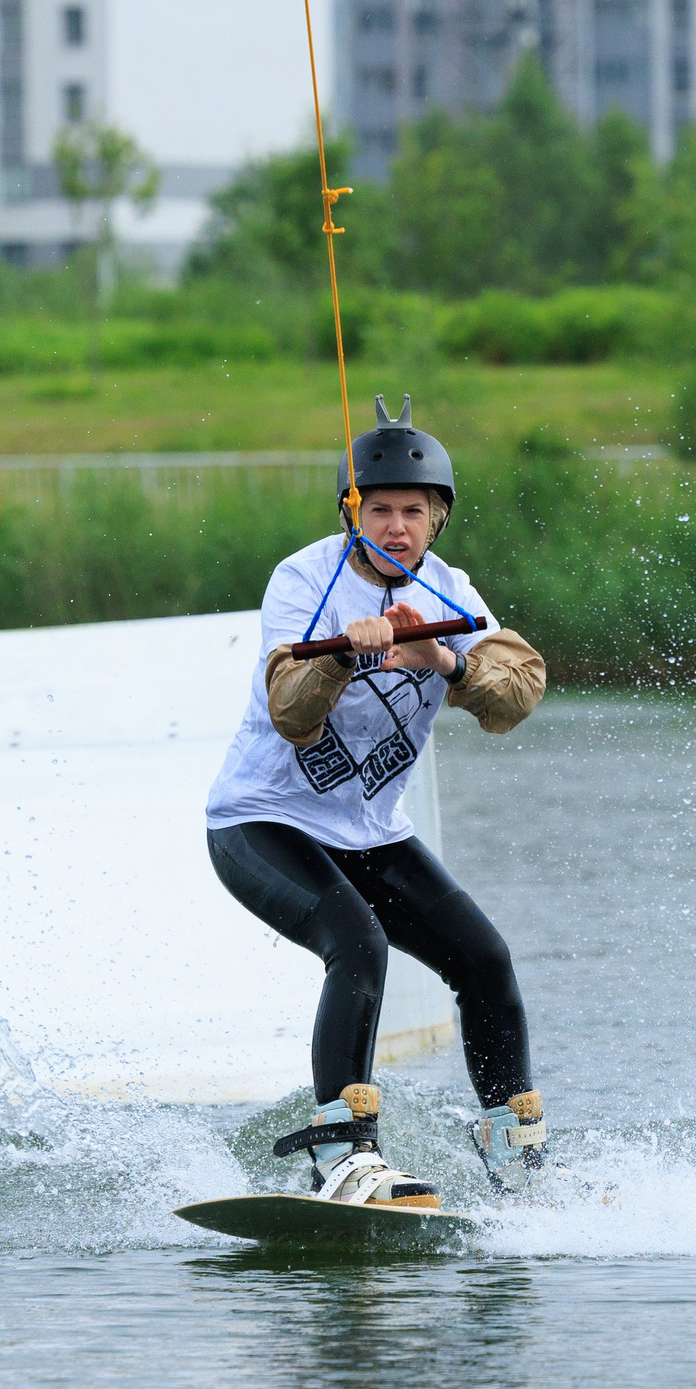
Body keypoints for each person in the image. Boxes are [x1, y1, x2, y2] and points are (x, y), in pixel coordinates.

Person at [204, 395, 549, 1209]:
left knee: (485, 961)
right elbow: (289, 710)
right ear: (353, 512)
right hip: (262, 820)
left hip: (369, 832)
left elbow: (517, 695)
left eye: (414, 513)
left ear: (438, 522)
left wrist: (442, 660)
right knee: (358, 944)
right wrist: (342, 658)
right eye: (381, 510)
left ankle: (516, 1156)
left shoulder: (450, 589)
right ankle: (343, 1157)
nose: (397, 528)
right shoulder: (303, 579)